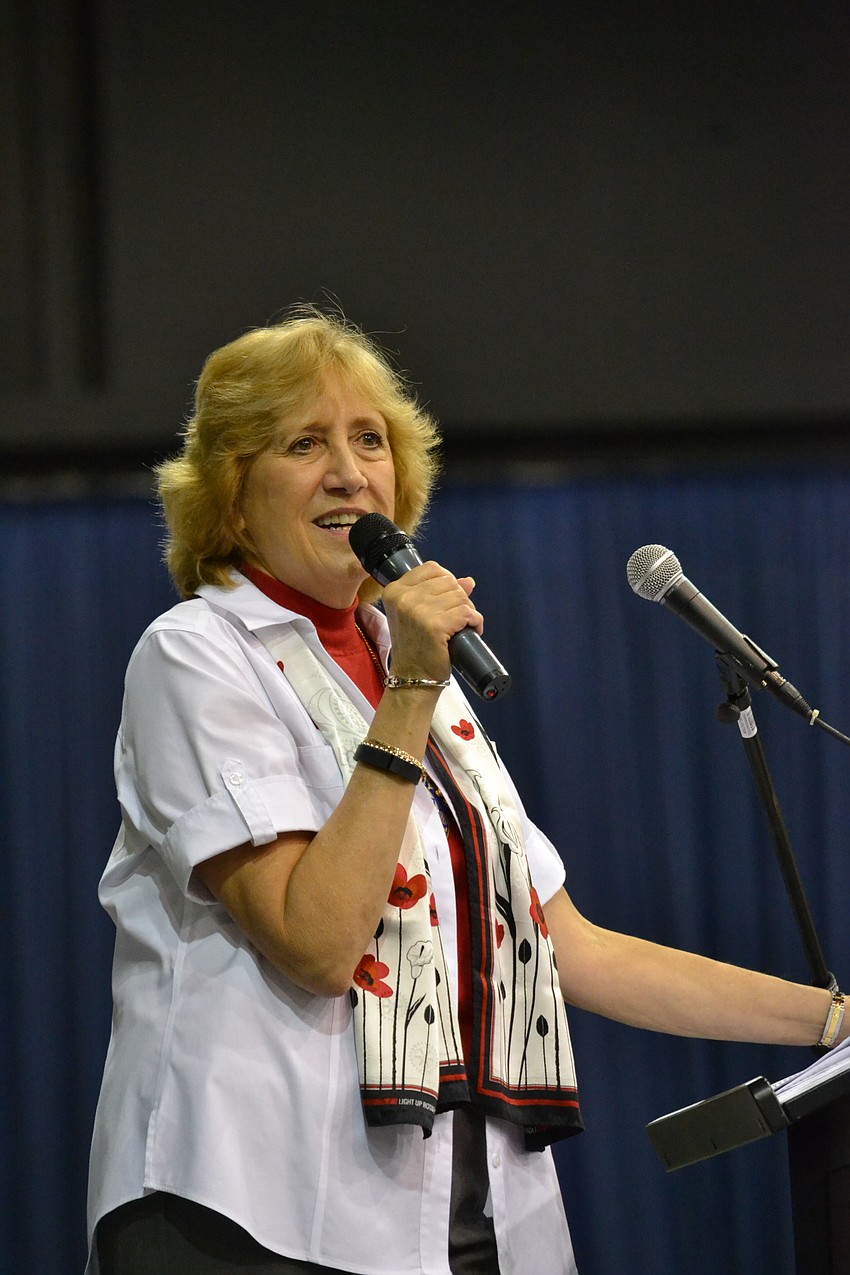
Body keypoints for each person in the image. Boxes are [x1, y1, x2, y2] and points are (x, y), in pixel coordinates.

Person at [86, 308, 847, 1275]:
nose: (348, 471)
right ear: (233, 502)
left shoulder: (422, 684)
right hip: (247, 1210)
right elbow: (317, 940)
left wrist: (834, 1022)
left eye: (370, 440)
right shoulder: (198, 653)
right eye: (303, 443)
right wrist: (408, 686)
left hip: (450, 1216)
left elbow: (575, 948)